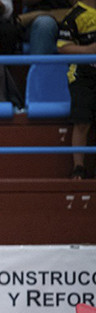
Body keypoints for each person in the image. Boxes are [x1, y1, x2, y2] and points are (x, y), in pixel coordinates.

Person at [58, 0, 96, 179]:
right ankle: (78, 167)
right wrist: (89, 50)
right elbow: (63, 48)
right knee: (82, 122)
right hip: (82, 77)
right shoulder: (74, 16)